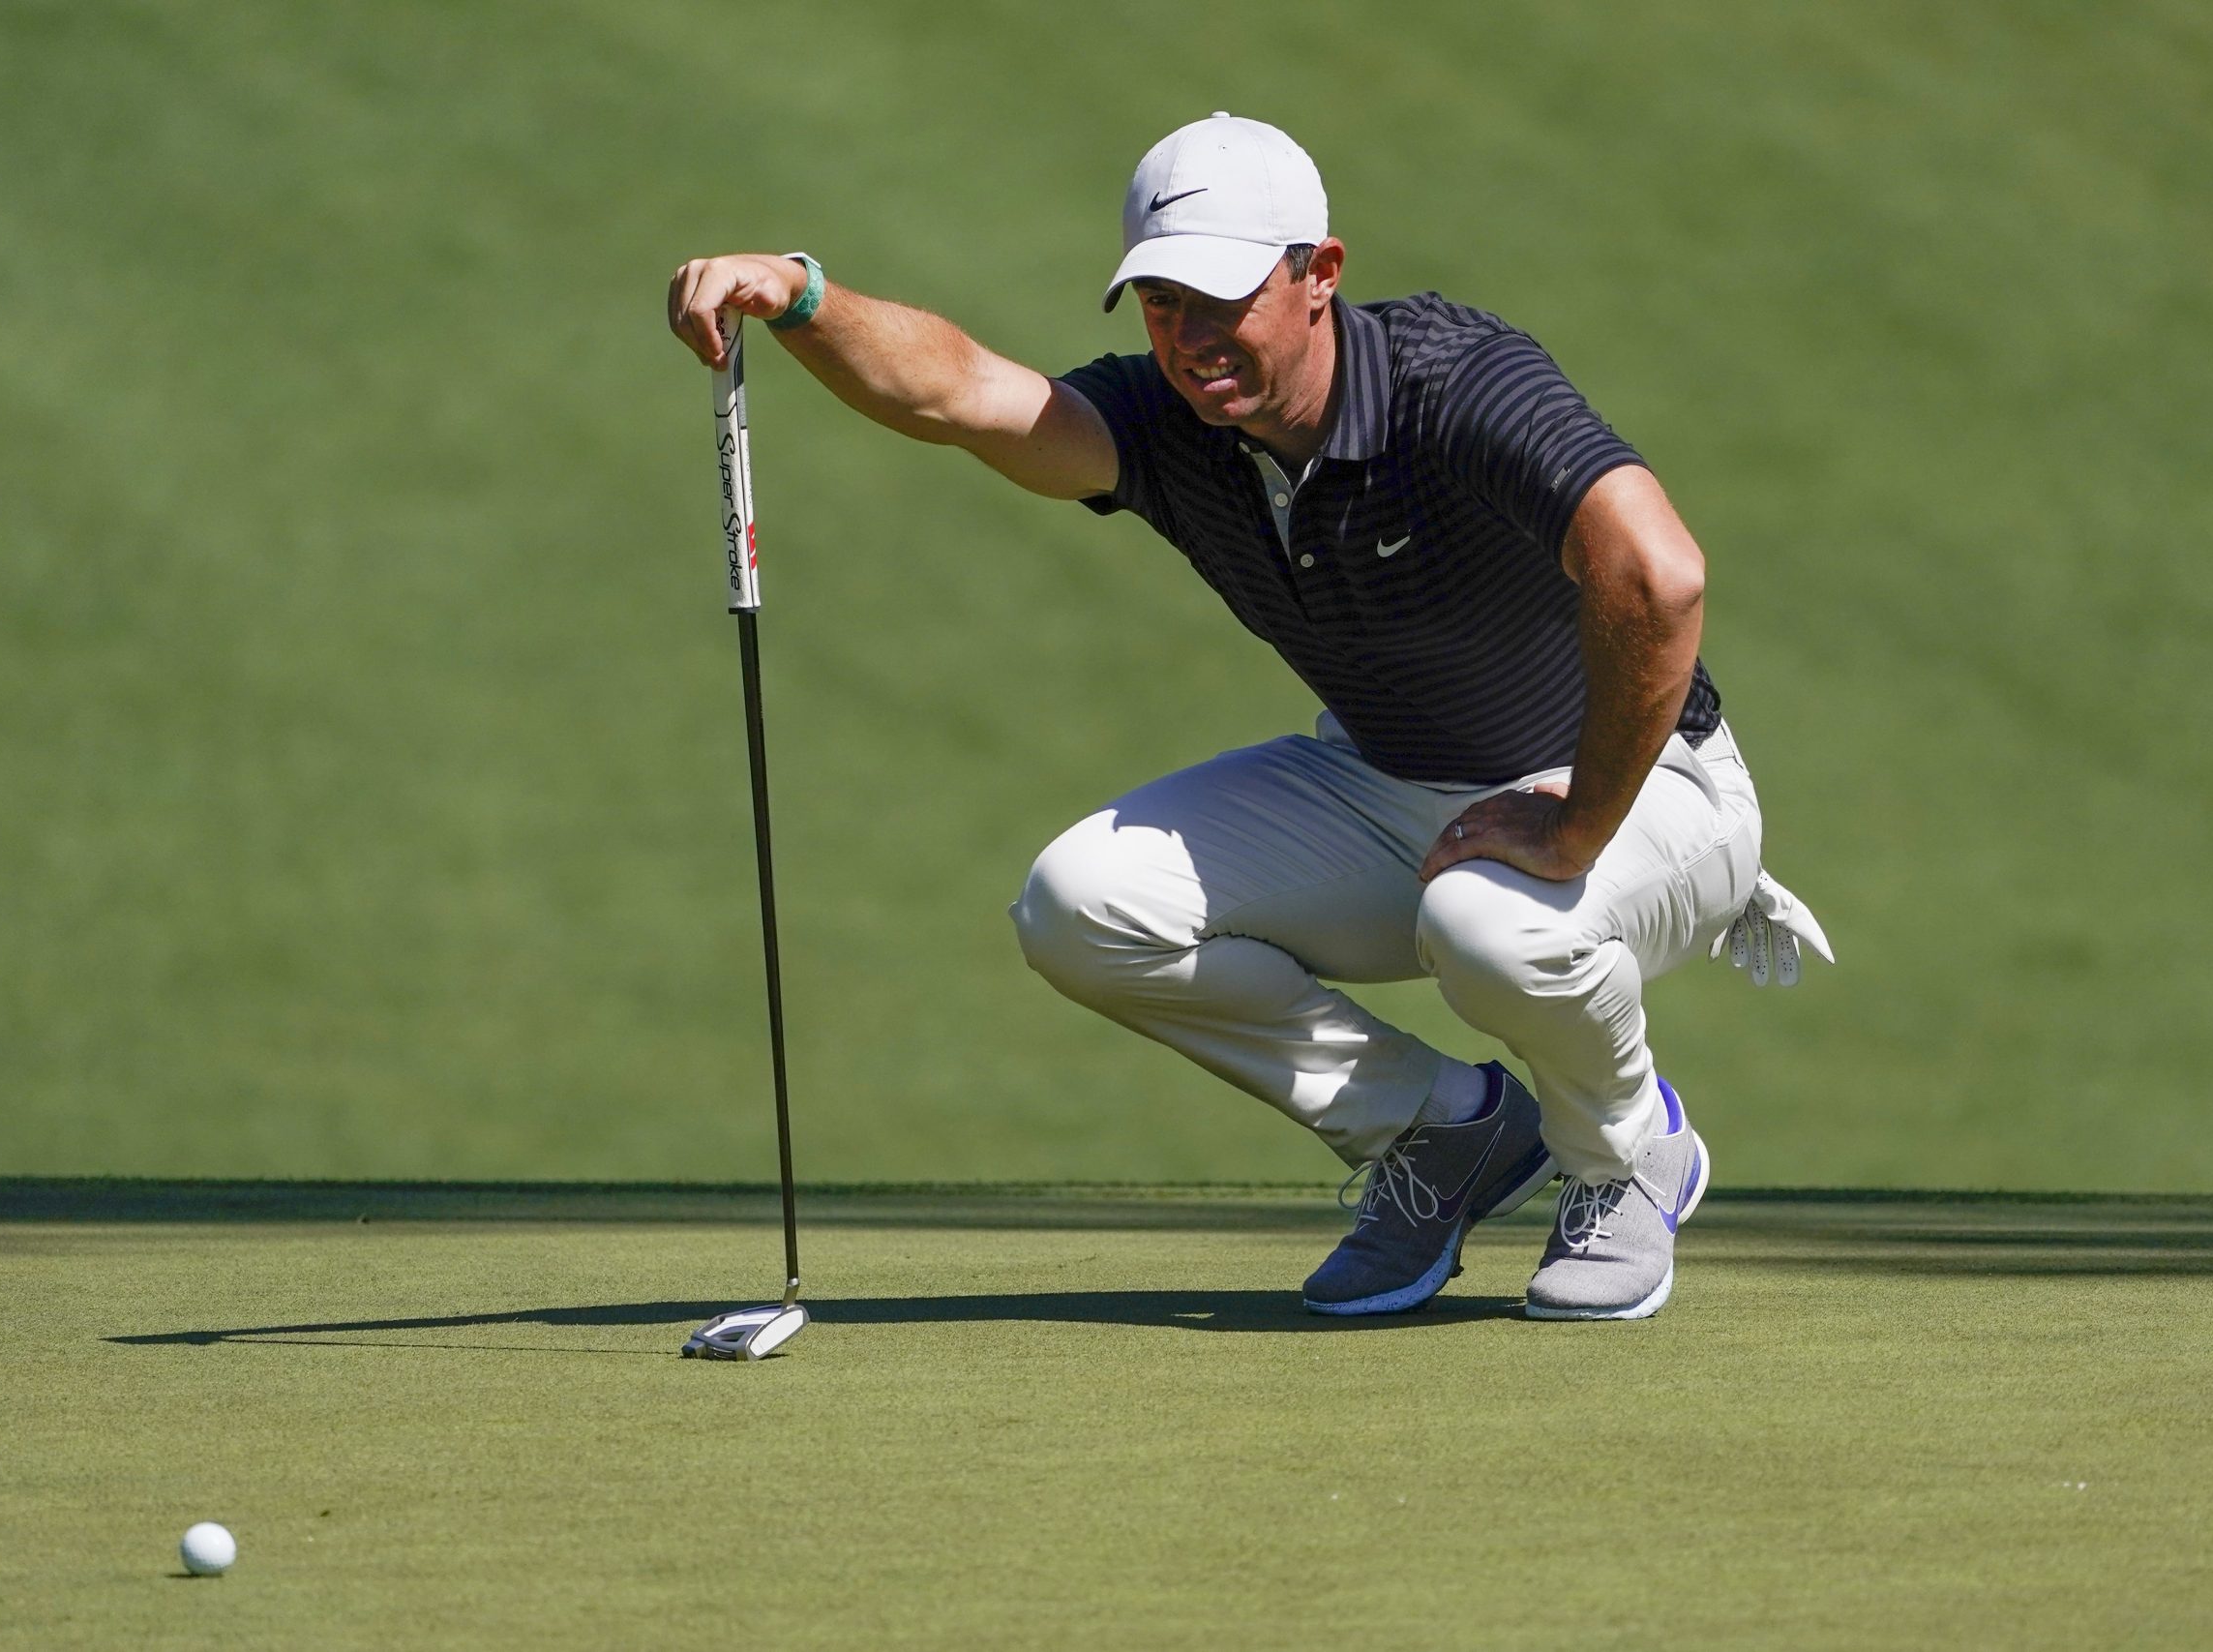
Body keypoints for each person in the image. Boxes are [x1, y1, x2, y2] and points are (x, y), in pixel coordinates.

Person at [666, 113, 1831, 1321]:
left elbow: (1660, 575)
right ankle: (1446, 1132)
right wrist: (801, 297)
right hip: (1393, 785)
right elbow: (957, 393)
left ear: (1319, 273)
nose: (1191, 335)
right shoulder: (1174, 429)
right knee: (1080, 907)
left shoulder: (1454, 381)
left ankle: (1627, 1153)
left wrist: (1581, 827)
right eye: (1162, 301)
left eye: (1222, 295)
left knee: (1493, 926)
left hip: (1645, 794)